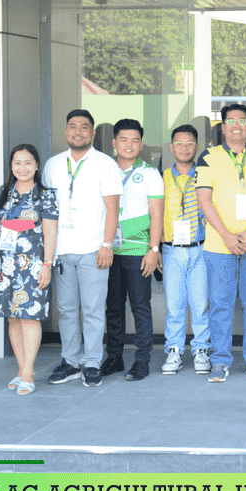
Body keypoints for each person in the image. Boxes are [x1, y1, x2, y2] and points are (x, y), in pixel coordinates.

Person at [43, 109, 124, 388]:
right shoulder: (53, 165)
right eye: (73, 127)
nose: (78, 132)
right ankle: (70, 361)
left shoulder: (105, 164)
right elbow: (45, 211)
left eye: (84, 127)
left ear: (92, 133)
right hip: (61, 251)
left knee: (92, 310)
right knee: (66, 309)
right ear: (66, 132)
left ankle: (91, 362)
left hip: (93, 249)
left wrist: (106, 245)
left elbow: (113, 208)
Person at [197, 105, 246, 382]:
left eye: (242, 121)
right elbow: (204, 199)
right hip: (220, 245)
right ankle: (219, 360)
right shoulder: (208, 157)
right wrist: (227, 236)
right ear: (222, 126)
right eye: (231, 121)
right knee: (220, 304)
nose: (236, 125)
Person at [100, 119, 164, 382]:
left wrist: (154, 249)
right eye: (124, 139)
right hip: (108, 250)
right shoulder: (103, 170)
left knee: (140, 306)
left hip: (138, 250)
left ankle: (142, 360)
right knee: (112, 306)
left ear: (141, 144)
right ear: (114, 142)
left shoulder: (149, 173)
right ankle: (114, 357)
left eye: (135, 140)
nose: (129, 144)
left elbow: (156, 214)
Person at [0, 144, 58, 396]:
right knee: (13, 317)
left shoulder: (46, 195)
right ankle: (21, 369)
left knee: (30, 316)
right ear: (11, 166)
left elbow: (50, 232)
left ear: (37, 165)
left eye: (28, 162)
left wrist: (46, 264)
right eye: (17, 163)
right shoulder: (3, 193)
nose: (22, 167)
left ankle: (29, 372)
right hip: (5, 266)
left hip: (33, 265)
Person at [159, 124, 212, 377]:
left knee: (200, 304)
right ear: (171, 147)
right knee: (175, 305)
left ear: (197, 147)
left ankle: (201, 350)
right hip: (171, 250)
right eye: (179, 143)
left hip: (200, 249)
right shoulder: (162, 177)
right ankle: (175, 350)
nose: (184, 148)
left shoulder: (204, 175)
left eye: (189, 143)